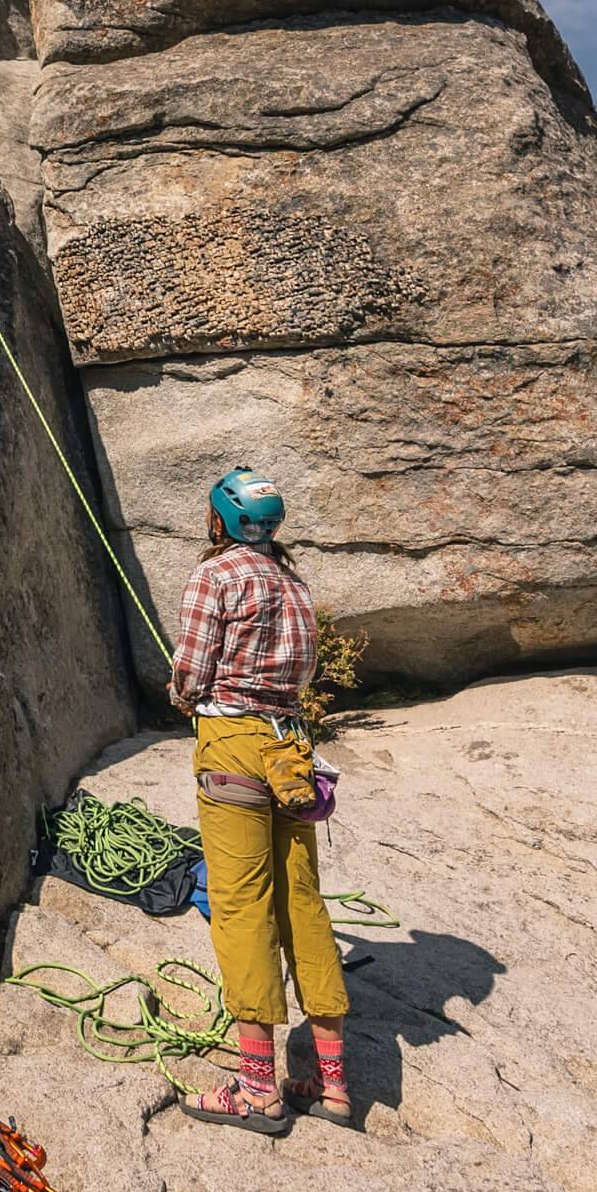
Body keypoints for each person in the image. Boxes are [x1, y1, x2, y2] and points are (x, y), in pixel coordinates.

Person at [167, 468, 351, 1134]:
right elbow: (301, 675)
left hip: (232, 747)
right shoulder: (293, 583)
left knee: (241, 906)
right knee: (302, 903)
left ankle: (257, 1089)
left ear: (220, 519)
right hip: (288, 752)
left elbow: (190, 673)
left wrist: (180, 696)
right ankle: (332, 1086)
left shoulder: (214, 576)